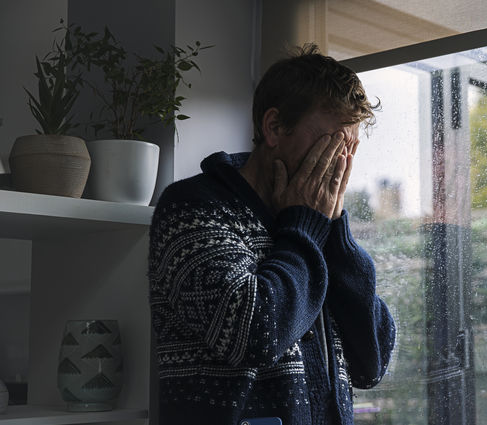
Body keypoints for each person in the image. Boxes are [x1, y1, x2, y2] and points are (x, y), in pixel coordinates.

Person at [148, 44, 396, 425]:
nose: (337, 164)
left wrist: (335, 233)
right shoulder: (193, 208)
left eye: (347, 150)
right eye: (328, 144)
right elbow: (254, 333)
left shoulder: (313, 226)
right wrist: (305, 229)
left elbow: (371, 363)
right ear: (274, 127)